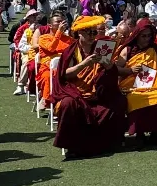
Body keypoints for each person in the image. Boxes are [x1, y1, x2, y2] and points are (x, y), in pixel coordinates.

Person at [52, 16, 127, 159]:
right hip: (74, 92)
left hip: (97, 91)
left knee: (118, 102)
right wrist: (84, 64)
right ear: (79, 33)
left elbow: (110, 72)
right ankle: (72, 147)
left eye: (94, 32)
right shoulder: (71, 51)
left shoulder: (101, 47)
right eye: (89, 32)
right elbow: (64, 75)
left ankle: (103, 144)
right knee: (67, 104)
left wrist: (108, 65)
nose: (93, 36)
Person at [118, 17, 157, 147]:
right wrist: (130, 70)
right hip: (132, 86)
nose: (146, 39)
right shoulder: (127, 49)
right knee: (135, 99)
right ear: (137, 35)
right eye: (143, 36)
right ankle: (140, 134)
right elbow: (117, 68)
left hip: (154, 84)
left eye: (149, 36)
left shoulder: (154, 49)